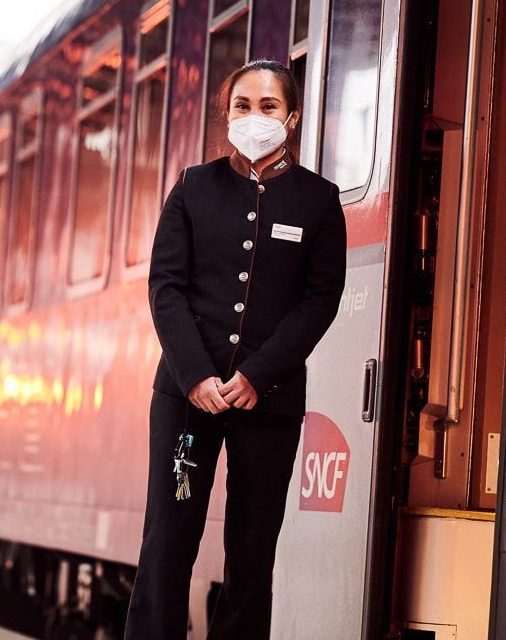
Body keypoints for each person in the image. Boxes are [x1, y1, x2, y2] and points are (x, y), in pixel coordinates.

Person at [124, 60, 347, 639]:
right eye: (242, 105)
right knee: (168, 542)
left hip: (266, 405)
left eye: (268, 107)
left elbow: (319, 301)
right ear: (227, 114)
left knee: (252, 555)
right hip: (185, 403)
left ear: (291, 118)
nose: (254, 117)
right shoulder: (193, 187)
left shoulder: (318, 201)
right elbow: (165, 287)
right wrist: (195, 375)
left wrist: (257, 375)